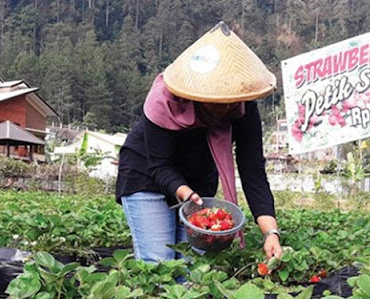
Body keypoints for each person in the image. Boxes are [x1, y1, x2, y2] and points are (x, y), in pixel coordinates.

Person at [115, 21, 282, 263]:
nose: (227, 107)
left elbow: (253, 171)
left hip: (198, 182)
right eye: (218, 101)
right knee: (159, 260)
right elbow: (159, 165)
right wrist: (184, 192)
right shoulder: (165, 102)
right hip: (146, 174)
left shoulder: (242, 106)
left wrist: (270, 233)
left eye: (231, 101)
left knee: (192, 263)